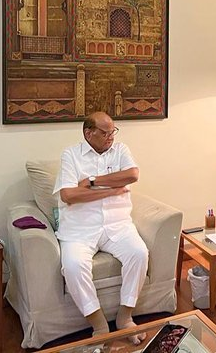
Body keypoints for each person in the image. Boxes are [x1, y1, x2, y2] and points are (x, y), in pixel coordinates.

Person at [53, 111, 149, 343]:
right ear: (89, 133)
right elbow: (68, 195)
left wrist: (92, 182)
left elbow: (132, 175)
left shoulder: (120, 150)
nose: (111, 137)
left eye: (113, 131)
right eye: (105, 133)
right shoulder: (71, 155)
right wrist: (110, 191)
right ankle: (99, 325)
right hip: (80, 229)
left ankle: (125, 317)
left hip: (118, 224)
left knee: (139, 253)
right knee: (73, 266)